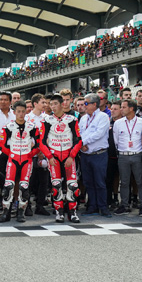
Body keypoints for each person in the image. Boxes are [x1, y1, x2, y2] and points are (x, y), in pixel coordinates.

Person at [0, 102, 48, 223]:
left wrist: (31, 153)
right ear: (14, 112)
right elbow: (2, 145)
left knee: (24, 187)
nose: (20, 114)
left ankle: (21, 212)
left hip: (27, 160)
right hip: (13, 160)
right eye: (18, 111)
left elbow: (38, 143)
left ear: (26, 112)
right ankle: (6, 213)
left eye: (23, 111)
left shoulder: (32, 127)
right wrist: (11, 154)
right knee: (8, 186)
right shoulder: (7, 127)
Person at [41, 95, 82, 223]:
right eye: (50, 104)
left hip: (68, 156)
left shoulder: (72, 120)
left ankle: (73, 211)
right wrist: (49, 156)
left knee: (72, 185)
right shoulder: (46, 120)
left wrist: (71, 156)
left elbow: (78, 140)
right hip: (54, 157)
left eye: (54, 104)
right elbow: (41, 142)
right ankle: (59, 212)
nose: (52, 106)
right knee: (56, 185)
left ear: (61, 104)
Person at [79, 94, 111, 217]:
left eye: (86, 103)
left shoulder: (103, 117)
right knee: (88, 182)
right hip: (86, 154)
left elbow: (99, 134)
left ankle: (103, 207)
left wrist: (83, 142)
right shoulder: (83, 118)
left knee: (100, 182)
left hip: (99, 154)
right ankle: (92, 206)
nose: (84, 106)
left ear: (94, 104)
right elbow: (80, 132)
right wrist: (81, 144)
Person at [113, 100, 142, 215]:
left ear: (131, 108)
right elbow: (116, 140)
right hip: (123, 155)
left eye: (123, 107)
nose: (121, 109)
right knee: (124, 182)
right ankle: (124, 205)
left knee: (140, 182)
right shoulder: (118, 123)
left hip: (138, 155)